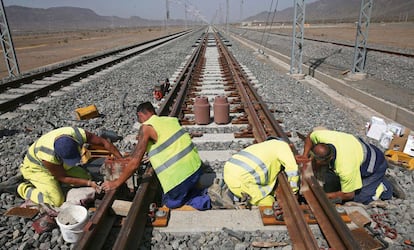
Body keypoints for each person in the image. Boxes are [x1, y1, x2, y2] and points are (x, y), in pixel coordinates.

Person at [101, 101, 211, 210]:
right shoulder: (169, 120)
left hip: (181, 178)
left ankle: (208, 200)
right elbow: (138, 153)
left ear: (140, 115)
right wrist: (126, 158)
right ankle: (195, 190)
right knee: (183, 189)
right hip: (197, 169)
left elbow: (135, 163)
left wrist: (116, 183)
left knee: (169, 202)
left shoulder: (146, 127)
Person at [17, 126, 123, 207]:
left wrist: (121, 159)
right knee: (56, 200)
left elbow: (104, 142)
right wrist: (89, 184)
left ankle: (53, 184)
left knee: (86, 176)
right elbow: (62, 177)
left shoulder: (77, 134)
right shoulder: (48, 156)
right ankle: (23, 188)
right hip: (37, 168)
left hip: (58, 165)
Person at [297, 128, 403, 205]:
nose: (314, 163)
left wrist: (324, 197)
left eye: (317, 162)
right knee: (337, 182)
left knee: (360, 197)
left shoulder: (345, 168)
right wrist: (305, 156)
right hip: (358, 151)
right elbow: (310, 136)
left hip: (374, 165)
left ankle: (385, 186)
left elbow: (348, 194)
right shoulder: (322, 137)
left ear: (328, 160)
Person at [223, 137, 300, 207]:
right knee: (270, 203)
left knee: (239, 187)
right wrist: (293, 191)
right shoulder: (283, 146)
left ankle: (233, 195)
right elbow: (292, 170)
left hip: (228, 170)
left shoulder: (263, 146)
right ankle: (238, 203)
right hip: (243, 178)